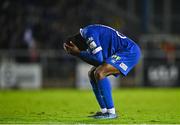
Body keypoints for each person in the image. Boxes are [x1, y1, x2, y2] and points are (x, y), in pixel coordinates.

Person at [63, 24, 141, 119]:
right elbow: (97, 60)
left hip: (129, 52)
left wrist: (79, 54)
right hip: (120, 52)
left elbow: (98, 60)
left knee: (100, 73)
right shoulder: (86, 35)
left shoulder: (89, 34)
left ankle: (111, 112)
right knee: (92, 74)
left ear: (74, 44)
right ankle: (104, 111)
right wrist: (79, 53)